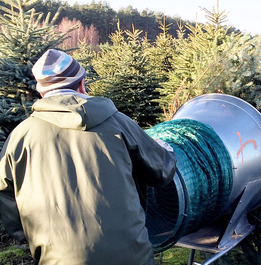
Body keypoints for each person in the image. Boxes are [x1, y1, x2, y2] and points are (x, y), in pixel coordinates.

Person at [0, 49, 177, 264]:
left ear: (42, 92)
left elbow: (5, 196)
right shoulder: (119, 122)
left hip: (58, 258)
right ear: (82, 84)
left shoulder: (20, 137)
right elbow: (162, 171)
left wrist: (32, 237)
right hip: (132, 254)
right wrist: (166, 149)